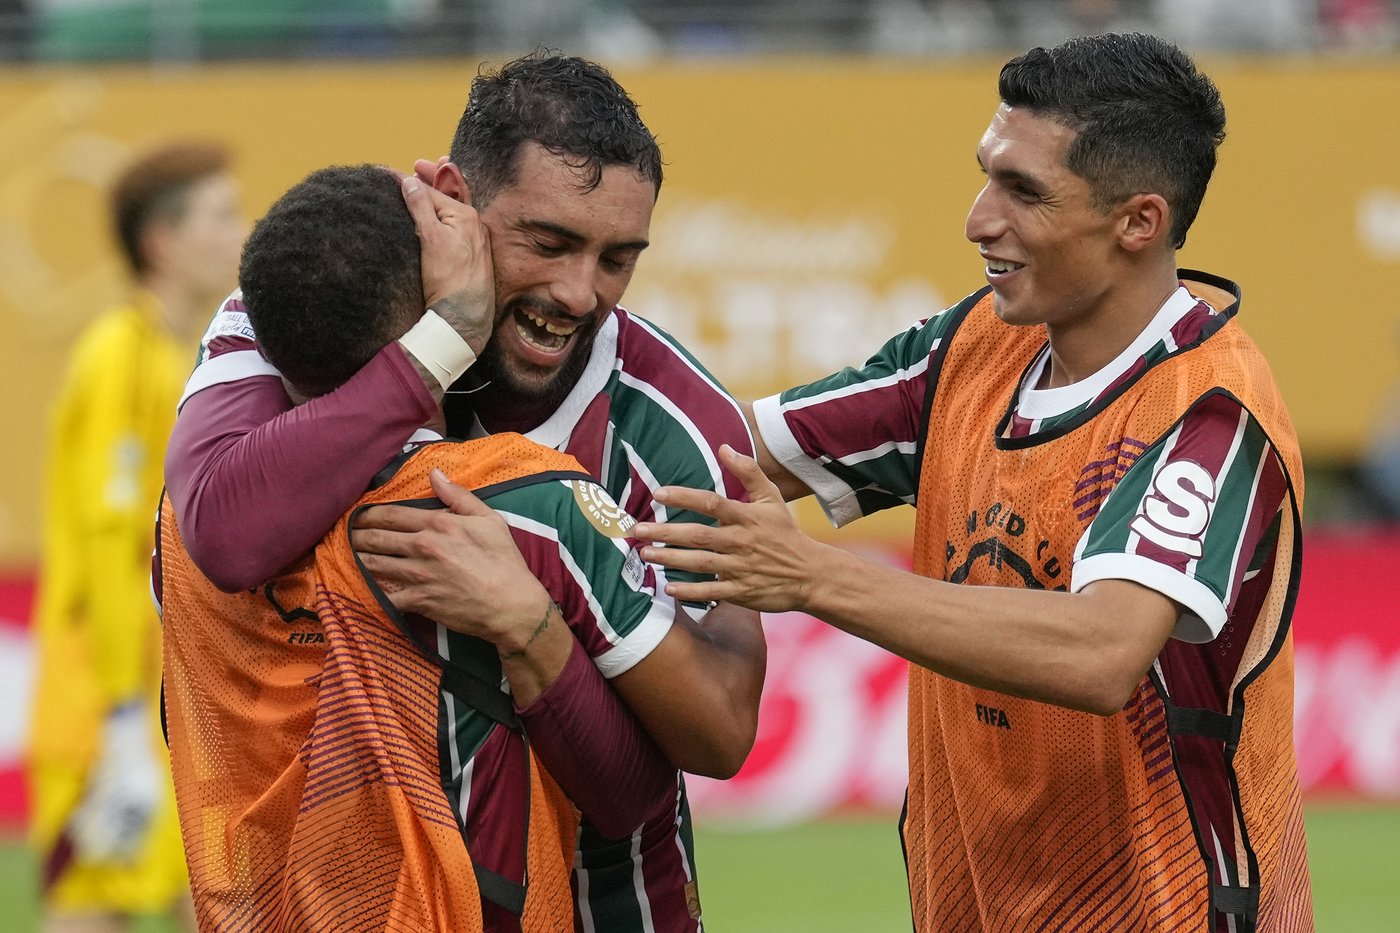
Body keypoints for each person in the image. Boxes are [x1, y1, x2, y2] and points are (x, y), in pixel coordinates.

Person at [633, 33, 1314, 932]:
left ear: (1138, 222)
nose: (978, 218)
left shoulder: (1214, 409)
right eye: (989, 174)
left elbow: (1103, 650)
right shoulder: (973, 346)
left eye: (1024, 191)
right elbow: (713, 450)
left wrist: (811, 577)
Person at [162, 52, 764, 931]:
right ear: (450, 194)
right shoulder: (298, 314)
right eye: (548, 242)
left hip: (608, 904)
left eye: (617, 259)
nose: (577, 291)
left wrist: (531, 626)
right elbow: (222, 527)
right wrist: (443, 343)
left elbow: (719, 731)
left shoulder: (675, 422)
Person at [27, 141, 245, 932]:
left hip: (169, 695)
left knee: (219, 897)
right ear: (163, 241)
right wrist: (122, 712)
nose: (240, 231)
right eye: (221, 214)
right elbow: (108, 543)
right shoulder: (116, 357)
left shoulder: (183, 356)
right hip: (109, 703)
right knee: (95, 905)